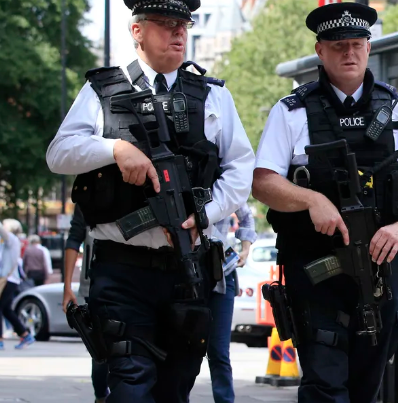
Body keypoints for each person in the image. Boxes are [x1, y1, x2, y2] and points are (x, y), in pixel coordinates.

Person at [45, 0, 255, 401]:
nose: (178, 32)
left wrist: (205, 214)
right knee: (130, 387)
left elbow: (241, 168)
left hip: (189, 270)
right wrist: (115, 149)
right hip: (122, 271)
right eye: (165, 23)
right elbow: (60, 153)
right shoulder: (101, 90)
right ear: (137, 30)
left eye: (184, 24)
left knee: (174, 390)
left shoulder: (212, 95)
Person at [252, 3, 398, 402]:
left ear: (369, 48)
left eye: (356, 44)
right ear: (321, 51)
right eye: (339, 46)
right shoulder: (291, 111)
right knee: (325, 384)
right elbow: (264, 183)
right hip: (315, 269)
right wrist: (311, 200)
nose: (349, 53)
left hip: (380, 269)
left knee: (367, 384)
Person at [208, 203, 257, 403]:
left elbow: (246, 216)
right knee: (184, 352)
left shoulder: (226, 184)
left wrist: (245, 249)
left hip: (222, 274)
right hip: (186, 273)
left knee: (218, 351)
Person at [62, 205, 109, 403]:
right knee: (101, 349)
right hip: (95, 283)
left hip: (132, 279)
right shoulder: (88, 192)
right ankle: (101, 396)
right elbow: (74, 239)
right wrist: (67, 287)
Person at [0, 219, 35, 350]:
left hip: (8, 280)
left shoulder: (11, 240)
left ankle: (0, 340)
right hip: (10, 279)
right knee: (7, 310)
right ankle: (25, 334)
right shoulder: (8, 242)